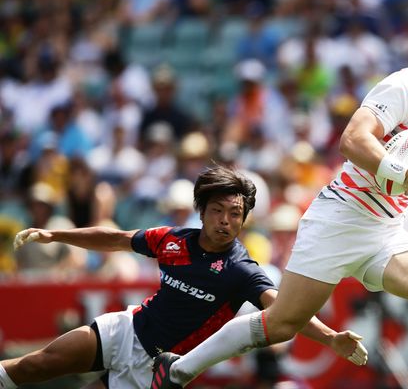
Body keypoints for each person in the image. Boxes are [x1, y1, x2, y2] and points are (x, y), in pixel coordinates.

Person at [151, 23, 408, 389]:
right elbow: (352, 139)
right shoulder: (403, 88)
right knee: (282, 322)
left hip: (384, 228)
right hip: (340, 221)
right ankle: (177, 370)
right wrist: (401, 172)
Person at [0, 165, 366, 389]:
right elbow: (117, 239)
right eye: (218, 211)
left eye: (235, 214)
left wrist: (331, 338)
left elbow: (286, 310)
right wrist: (54, 234)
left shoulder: (241, 270)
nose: (226, 221)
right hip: (126, 329)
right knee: (36, 364)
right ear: (202, 212)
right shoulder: (173, 239)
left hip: (155, 370)